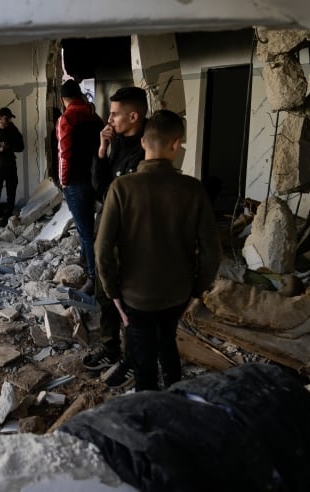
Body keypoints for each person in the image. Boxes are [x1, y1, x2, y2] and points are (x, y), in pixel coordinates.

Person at [95, 110, 221, 392]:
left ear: (142, 142)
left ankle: (150, 413)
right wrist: (196, 292)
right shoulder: (193, 190)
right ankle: (176, 394)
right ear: (176, 144)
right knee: (167, 340)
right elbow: (213, 252)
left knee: (144, 361)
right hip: (177, 294)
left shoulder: (121, 188)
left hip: (135, 296)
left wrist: (113, 293)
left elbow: (102, 248)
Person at [91, 86, 149, 382]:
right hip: (108, 229)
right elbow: (101, 190)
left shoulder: (147, 149)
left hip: (128, 236)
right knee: (105, 292)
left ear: (134, 116)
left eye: (115, 114)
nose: (109, 120)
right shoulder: (119, 143)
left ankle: (130, 358)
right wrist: (102, 151)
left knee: (126, 300)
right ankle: (109, 347)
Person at [57, 79, 103, 294]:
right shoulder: (94, 116)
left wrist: (64, 180)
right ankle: (85, 259)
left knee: (85, 232)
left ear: (63, 99)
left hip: (75, 180)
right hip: (93, 178)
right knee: (87, 227)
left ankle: (93, 279)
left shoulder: (66, 118)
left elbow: (64, 154)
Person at [0, 107, 25, 225]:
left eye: (9, 118)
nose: (8, 120)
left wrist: (9, 146)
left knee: (12, 191)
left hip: (10, 164)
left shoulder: (13, 129)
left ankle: (7, 218)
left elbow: (21, 146)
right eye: (6, 118)